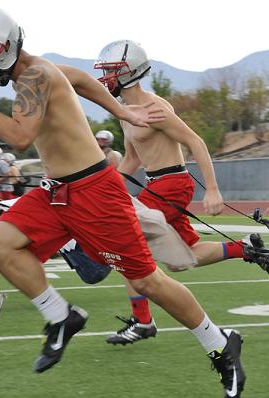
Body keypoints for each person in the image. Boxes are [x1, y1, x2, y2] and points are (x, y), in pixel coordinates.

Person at [0, 9, 246, 395]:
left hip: (94, 192)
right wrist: (119, 109)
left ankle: (219, 343)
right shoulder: (39, 69)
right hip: (57, 191)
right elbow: (83, 79)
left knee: (146, 281)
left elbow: (19, 137)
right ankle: (61, 317)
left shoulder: (34, 76)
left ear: (3, 49)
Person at [61, 40, 267, 357]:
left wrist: (212, 189)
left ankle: (142, 321)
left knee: (127, 242)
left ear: (129, 71)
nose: (105, 79)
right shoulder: (124, 112)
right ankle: (246, 249)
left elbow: (195, 142)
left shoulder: (155, 108)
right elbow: (132, 159)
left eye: (111, 71)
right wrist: (99, 185)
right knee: (185, 256)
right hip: (159, 184)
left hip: (172, 183)